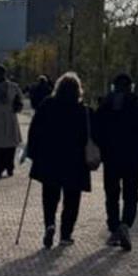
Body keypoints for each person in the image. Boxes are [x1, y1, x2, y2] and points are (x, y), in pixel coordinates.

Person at [26, 71, 92, 248]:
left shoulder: (47, 104)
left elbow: (35, 129)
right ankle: (66, 234)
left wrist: (33, 152)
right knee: (72, 198)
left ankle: (49, 224)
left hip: (50, 157)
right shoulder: (82, 110)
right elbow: (88, 135)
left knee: (50, 195)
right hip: (74, 160)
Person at [91, 70, 138, 252]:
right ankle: (126, 224)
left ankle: (114, 228)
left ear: (114, 87)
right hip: (132, 159)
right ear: (131, 87)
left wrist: (104, 148)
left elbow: (95, 130)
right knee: (131, 195)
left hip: (111, 159)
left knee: (111, 195)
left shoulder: (105, 106)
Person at [0, 65, 23, 177]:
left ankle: (9, 167)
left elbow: (20, 101)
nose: (0, 75)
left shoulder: (14, 87)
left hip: (9, 118)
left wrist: (17, 106)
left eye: (1, 73)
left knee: (10, 146)